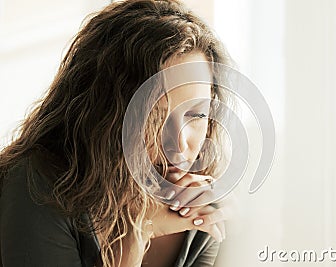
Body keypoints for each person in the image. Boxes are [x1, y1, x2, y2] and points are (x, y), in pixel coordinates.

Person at [0, 0, 235, 266]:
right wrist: (140, 233)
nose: (179, 146)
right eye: (153, 117)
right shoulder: (38, 187)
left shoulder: (200, 210)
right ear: (105, 114)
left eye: (196, 115)